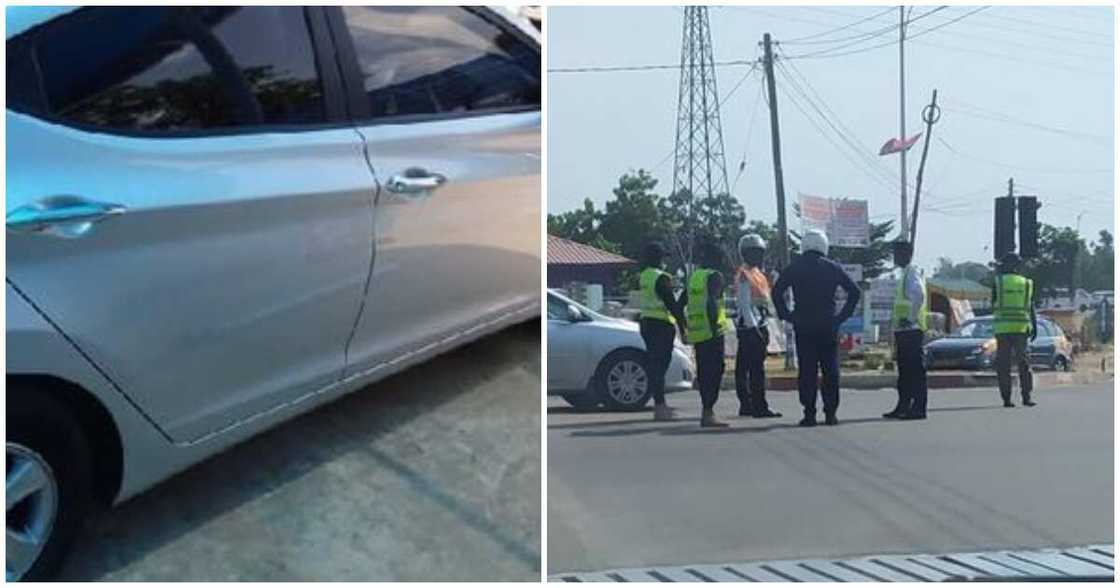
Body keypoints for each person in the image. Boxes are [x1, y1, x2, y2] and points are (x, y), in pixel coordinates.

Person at [772, 230, 860, 427]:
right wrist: (841, 317)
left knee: (807, 370)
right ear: (824, 245)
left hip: (803, 325)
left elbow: (776, 291)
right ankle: (831, 414)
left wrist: (787, 315)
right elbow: (854, 292)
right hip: (828, 325)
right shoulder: (832, 267)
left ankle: (809, 414)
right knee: (831, 370)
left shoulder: (795, 267)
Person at [681, 241, 730, 428]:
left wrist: (683, 327)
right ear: (716, 259)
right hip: (712, 333)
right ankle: (709, 412)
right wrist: (713, 328)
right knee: (715, 371)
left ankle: (706, 410)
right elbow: (711, 303)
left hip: (698, 333)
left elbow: (680, 304)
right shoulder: (715, 276)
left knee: (703, 371)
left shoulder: (695, 277)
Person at [638, 242, 689, 421]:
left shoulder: (644, 276)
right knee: (660, 367)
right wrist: (683, 326)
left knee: (654, 365)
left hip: (646, 322)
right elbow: (671, 304)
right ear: (658, 259)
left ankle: (659, 404)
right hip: (660, 325)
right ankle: (660, 406)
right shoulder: (661, 277)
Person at [734, 234, 781, 418]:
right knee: (753, 370)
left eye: (760, 252)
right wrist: (754, 329)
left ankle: (748, 404)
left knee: (748, 367)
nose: (758, 256)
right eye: (753, 252)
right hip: (749, 327)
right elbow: (744, 304)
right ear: (744, 254)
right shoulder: (745, 274)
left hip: (759, 325)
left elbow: (764, 302)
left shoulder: (759, 274)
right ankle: (757, 406)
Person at [883, 238, 930, 420]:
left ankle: (918, 408)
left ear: (907, 254)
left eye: (898, 253)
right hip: (904, 331)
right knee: (904, 373)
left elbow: (919, 295)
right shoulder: (904, 274)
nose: (895, 257)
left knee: (914, 373)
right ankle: (903, 406)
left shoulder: (912, 273)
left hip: (912, 329)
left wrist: (910, 319)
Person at [992, 252, 1037, 407]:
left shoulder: (998, 282)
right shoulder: (1026, 283)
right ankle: (1027, 397)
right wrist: (1034, 325)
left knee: (1003, 365)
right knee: (1024, 364)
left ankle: (1006, 398)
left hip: (1003, 330)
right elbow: (1031, 307)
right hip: (1021, 329)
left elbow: (993, 303)